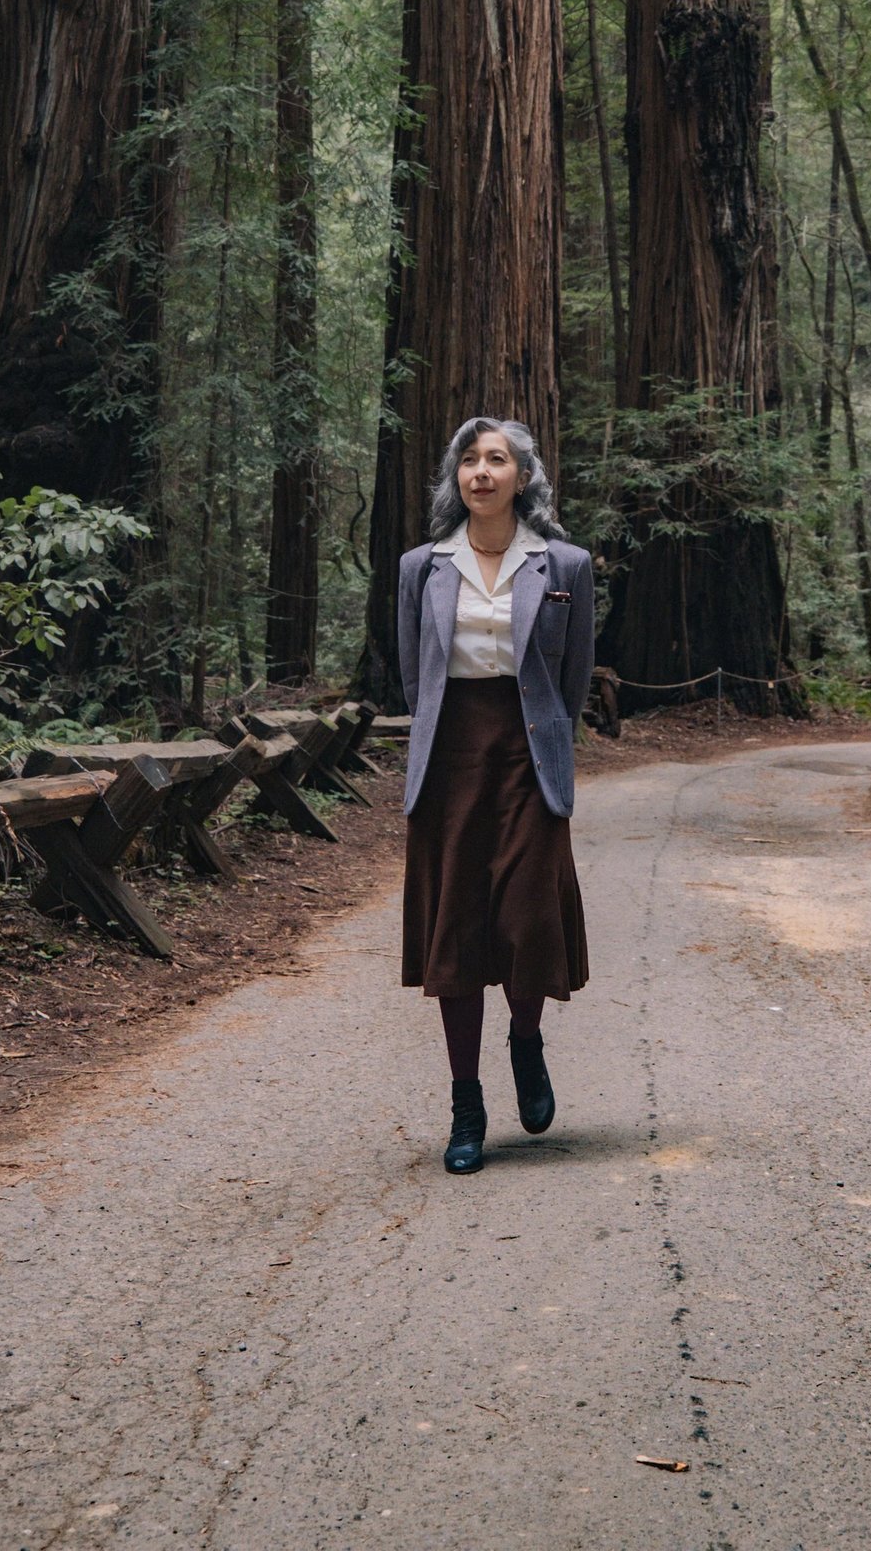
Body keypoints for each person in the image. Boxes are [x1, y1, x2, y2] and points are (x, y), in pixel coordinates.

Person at [397, 416, 595, 1174]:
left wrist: (545, 741)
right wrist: (437, 745)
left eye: (497, 460)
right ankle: (466, 1105)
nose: (481, 472)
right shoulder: (423, 566)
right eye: (470, 461)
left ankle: (526, 1039)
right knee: (457, 928)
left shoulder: (565, 564)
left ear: (523, 477)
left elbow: (571, 680)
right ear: (457, 478)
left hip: (530, 755)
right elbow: (417, 676)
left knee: (527, 917)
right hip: (450, 761)